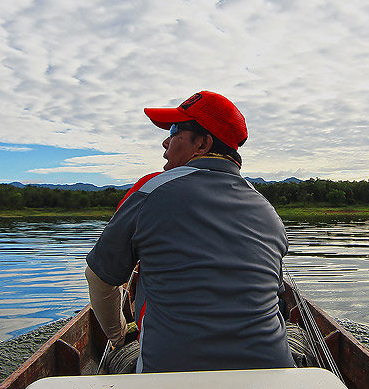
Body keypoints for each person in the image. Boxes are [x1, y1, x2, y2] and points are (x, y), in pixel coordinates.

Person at [85, 91, 294, 373]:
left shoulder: (152, 190)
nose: (165, 143)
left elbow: (99, 278)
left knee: (120, 359)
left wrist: (119, 336)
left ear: (203, 144)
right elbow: (278, 300)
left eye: (174, 132)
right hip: (272, 378)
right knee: (296, 337)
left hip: (168, 380)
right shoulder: (268, 211)